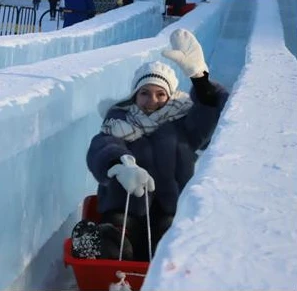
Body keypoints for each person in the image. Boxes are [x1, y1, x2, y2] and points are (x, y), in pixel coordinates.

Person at [84, 29, 229, 261]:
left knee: (170, 243)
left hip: (170, 209)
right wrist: (120, 165)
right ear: (134, 95)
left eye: (160, 94)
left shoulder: (183, 125)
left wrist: (201, 81)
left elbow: (210, 114)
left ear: (169, 97)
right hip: (125, 206)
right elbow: (102, 146)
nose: (152, 101)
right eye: (145, 93)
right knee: (115, 240)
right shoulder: (118, 122)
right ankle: (106, 261)